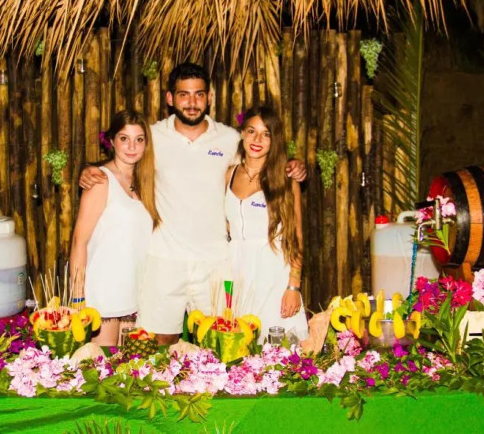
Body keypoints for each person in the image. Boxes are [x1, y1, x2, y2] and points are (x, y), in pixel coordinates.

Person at [80, 63, 306, 344]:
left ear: (209, 97)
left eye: (199, 94)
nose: (191, 102)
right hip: (164, 260)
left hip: (216, 264)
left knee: (220, 346)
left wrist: (294, 164)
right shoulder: (153, 137)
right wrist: (90, 170)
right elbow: (125, 157)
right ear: (170, 98)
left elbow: (261, 162)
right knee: (156, 345)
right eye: (183, 95)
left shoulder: (229, 139)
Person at [69, 109, 161, 346]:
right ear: (111, 141)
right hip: (103, 294)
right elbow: (80, 241)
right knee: (101, 364)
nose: (132, 146)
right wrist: (77, 299)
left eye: (139, 139)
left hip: (134, 293)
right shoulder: (100, 180)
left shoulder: (146, 183)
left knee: (127, 367)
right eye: (124, 138)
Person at [225, 106, 309, 344]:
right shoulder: (228, 174)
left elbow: (296, 236)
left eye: (266, 134)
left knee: (279, 350)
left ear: (274, 140)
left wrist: (293, 286)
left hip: (273, 272)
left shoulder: (285, 180)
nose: (257, 140)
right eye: (252, 131)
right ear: (242, 133)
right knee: (237, 349)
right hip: (235, 272)